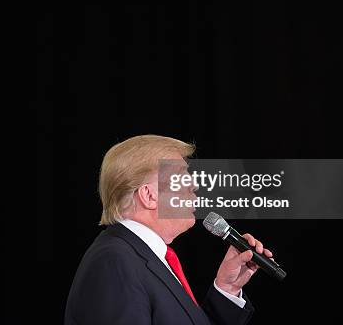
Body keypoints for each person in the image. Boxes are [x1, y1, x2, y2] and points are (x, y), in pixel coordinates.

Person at [65, 135, 274, 325]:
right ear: (149, 195)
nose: (193, 185)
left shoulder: (144, 257)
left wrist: (227, 288)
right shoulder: (113, 263)